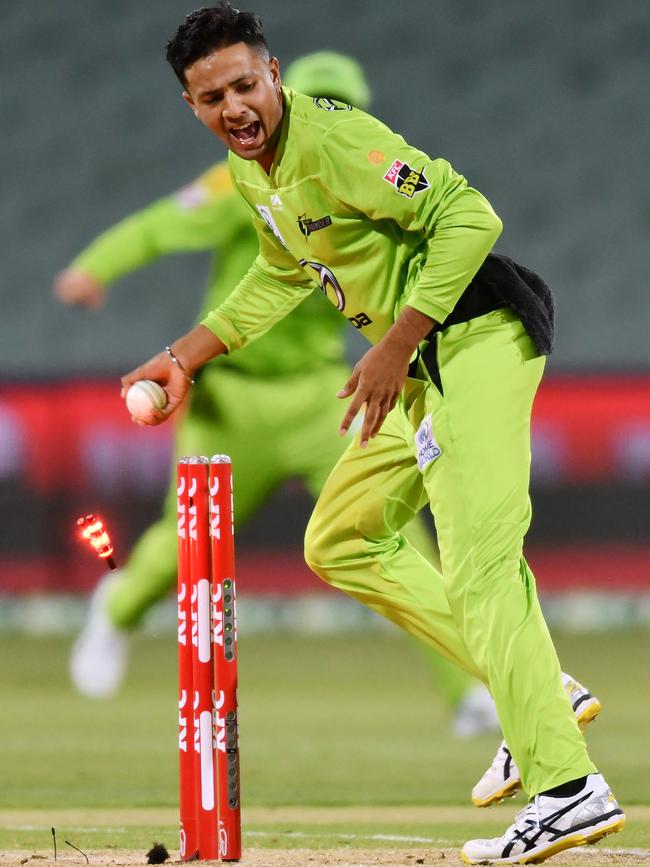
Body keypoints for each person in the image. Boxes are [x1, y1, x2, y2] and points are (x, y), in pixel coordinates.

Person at [121, 5, 625, 862]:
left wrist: (395, 343)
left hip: (473, 336)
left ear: (274, 73)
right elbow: (284, 272)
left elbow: (470, 215)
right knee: (342, 537)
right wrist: (184, 354)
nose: (236, 107)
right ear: (192, 106)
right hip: (422, 366)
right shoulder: (256, 172)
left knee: (480, 568)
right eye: (214, 97)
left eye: (247, 84)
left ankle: (568, 787)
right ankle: (533, 692)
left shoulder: (334, 145)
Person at [56, 50, 499, 738]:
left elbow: (451, 223)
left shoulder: (355, 169)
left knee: (392, 531)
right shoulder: (242, 175)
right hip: (233, 401)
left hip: (322, 392)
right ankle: (115, 613)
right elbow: (159, 226)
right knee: (184, 548)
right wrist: (93, 269)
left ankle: (471, 687)